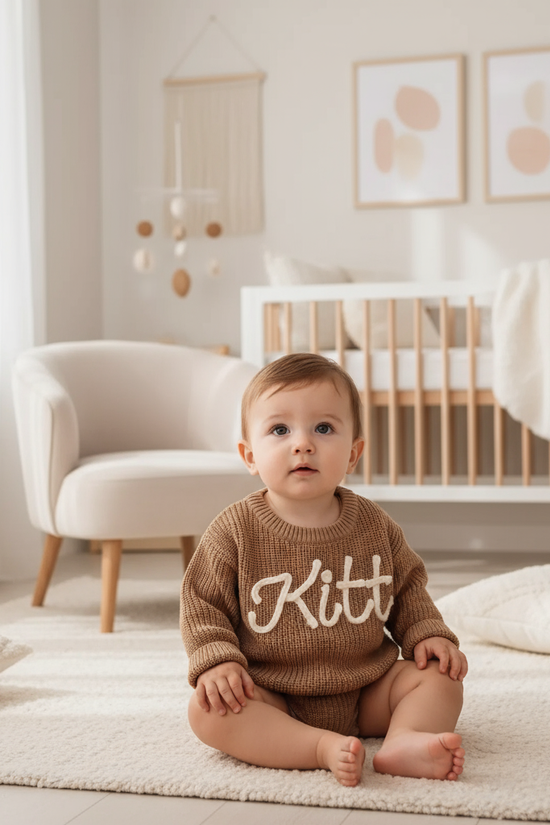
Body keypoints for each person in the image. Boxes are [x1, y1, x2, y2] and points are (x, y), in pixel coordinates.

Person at [180, 353, 467, 787]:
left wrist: (427, 632)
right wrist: (215, 662)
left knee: (442, 679)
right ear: (249, 455)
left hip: (369, 688)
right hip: (275, 693)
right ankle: (316, 746)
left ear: (353, 453)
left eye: (324, 428)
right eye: (280, 430)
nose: (303, 444)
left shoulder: (375, 525)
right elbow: (202, 604)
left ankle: (404, 740)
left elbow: (408, 589)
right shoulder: (233, 530)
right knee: (207, 712)